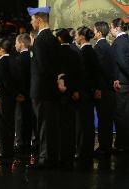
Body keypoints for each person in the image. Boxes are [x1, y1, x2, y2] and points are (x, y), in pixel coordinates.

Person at [27, 6, 61, 169]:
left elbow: (42, 68)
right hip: (50, 90)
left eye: (32, 19)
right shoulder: (53, 39)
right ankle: (51, 156)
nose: (31, 22)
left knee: (43, 125)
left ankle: (45, 158)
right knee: (50, 124)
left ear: (39, 20)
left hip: (41, 91)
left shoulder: (40, 41)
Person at [55, 28, 82, 167]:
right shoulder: (75, 53)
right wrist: (75, 90)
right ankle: (69, 154)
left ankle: (59, 154)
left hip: (57, 95)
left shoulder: (55, 54)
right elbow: (78, 74)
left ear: (59, 38)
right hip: (72, 94)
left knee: (58, 125)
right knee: (70, 125)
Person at [75, 26, 101, 161]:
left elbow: (83, 75)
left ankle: (83, 150)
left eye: (77, 34)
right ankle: (87, 149)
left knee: (83, 123)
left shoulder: (84, 52)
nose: (75, 37)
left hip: (84, 92)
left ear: (82, 36)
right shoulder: (90, 50)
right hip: (89, 92)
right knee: (88, 122)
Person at [0, 38, 18, 163]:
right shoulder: (14, 60)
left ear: (2, 49)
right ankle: (9, 149)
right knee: (10, 124)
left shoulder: (1, 63)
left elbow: (3, 82)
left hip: (4, 97)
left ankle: (3, 150)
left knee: (3, 125)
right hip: (12, 97)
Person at [93, 21, 116, 155]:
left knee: (103, 119)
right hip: (108, 89)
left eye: (94, 31)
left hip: (104, 90)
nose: (93, 33)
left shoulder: (100, 47)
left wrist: (99, 89)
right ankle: (105, 146)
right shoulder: (107, 46)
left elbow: (101, 71)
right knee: (106, 119)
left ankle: (104, 147)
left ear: (99, 33)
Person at [110, 18, 129, 153]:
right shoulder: (125, 40)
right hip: (123, 82)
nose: (110, 30)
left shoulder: (119, 42)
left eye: (111, 27)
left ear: (117, 28)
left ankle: (122, 144)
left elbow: (122, 63)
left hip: (122, 84)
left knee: (122, 115)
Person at [14, 33, 34, 156]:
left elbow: (20, 79)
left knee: (21, 119)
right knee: (28, 119)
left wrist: (19, 93)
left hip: (22, 95)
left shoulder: (20, 59)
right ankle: (26, 143)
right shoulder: (32, 58)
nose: (15, 45)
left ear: (21, 43)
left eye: (16, 42)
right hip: (31, 94)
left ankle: (21, 145)